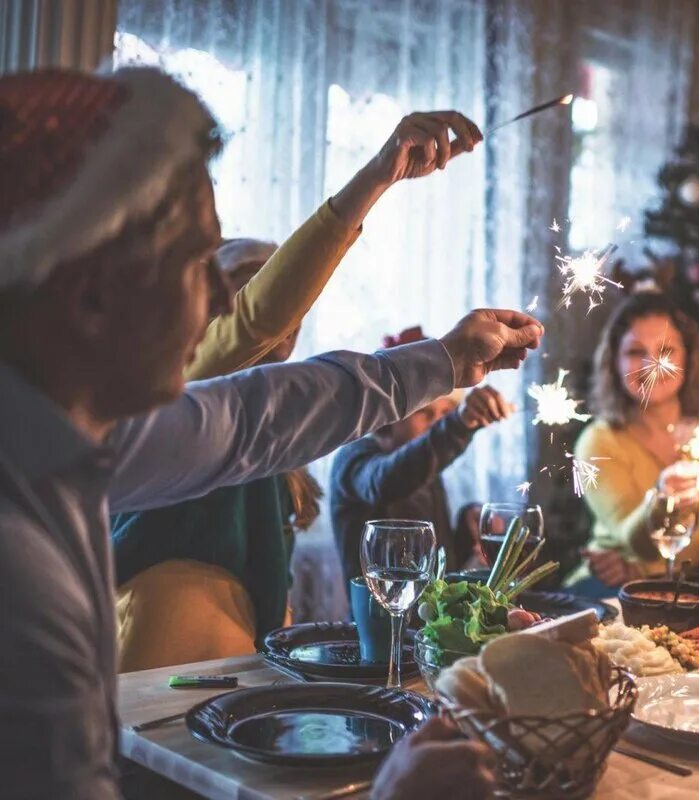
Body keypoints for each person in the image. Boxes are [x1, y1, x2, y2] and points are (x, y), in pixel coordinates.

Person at [0, 67, 536, 798]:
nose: (225, 298)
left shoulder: (76, 443)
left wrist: (446, 359)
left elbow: (257, 416)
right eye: (197, 262)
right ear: (91, 296)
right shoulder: (22, 577)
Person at [109, 103, 481, 672]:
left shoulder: (276, 416)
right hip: (164, 648)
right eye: (237, 287)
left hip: (240, 651)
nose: (285, 315)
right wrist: (376, 177)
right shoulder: (179, 387)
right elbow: (258, 324)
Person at [566, 291, 699, 596]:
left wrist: (644, 569)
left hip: (692, 577)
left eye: (666, 350)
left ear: (689, 357)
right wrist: (661, 497)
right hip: (610, 582)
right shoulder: (597, 442)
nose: (652, 365)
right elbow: (633, 540)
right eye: (635, 352)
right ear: (614, 362)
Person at [330, 326, 514, 584]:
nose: (437, 424)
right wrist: (458, 425)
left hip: (427, 620)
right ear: (392, 412)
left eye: (445, 413)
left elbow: (438, 566)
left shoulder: (426, 468)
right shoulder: (355, 458)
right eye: (425, 413)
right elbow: (386, 480)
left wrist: (467, 527)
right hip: (381, 620)